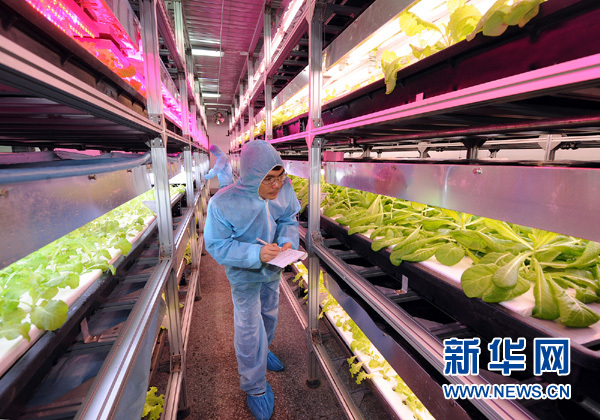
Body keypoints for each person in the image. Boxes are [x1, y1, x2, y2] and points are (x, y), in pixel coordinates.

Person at [204, 140, 300, 420]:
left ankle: (264, 350)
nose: (276, 185)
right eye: (268, 179)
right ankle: (254, 386)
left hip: (273, 269)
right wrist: (255, 253)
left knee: (269, 313)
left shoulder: (284, 189)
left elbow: (288, 218)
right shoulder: (223, 203)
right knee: (248, 327)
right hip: (244, 274)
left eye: (280, 176)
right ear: (251, 177)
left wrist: (287, 241)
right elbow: (218, 246)